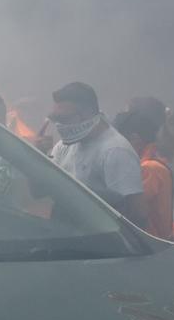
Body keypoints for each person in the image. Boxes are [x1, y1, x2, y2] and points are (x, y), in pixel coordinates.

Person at [40, 82, 148, 227]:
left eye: (65, 119)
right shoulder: (62, 146)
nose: (60, 125)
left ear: (87, 113)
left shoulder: (115, 151)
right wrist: (37, 155)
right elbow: (38, 192)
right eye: (56, 120)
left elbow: (137, 216)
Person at [113, 103, 174, 240]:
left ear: (135, 139)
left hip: (149, 244)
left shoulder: (148, 168)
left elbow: (131, 208)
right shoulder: (153, 162)